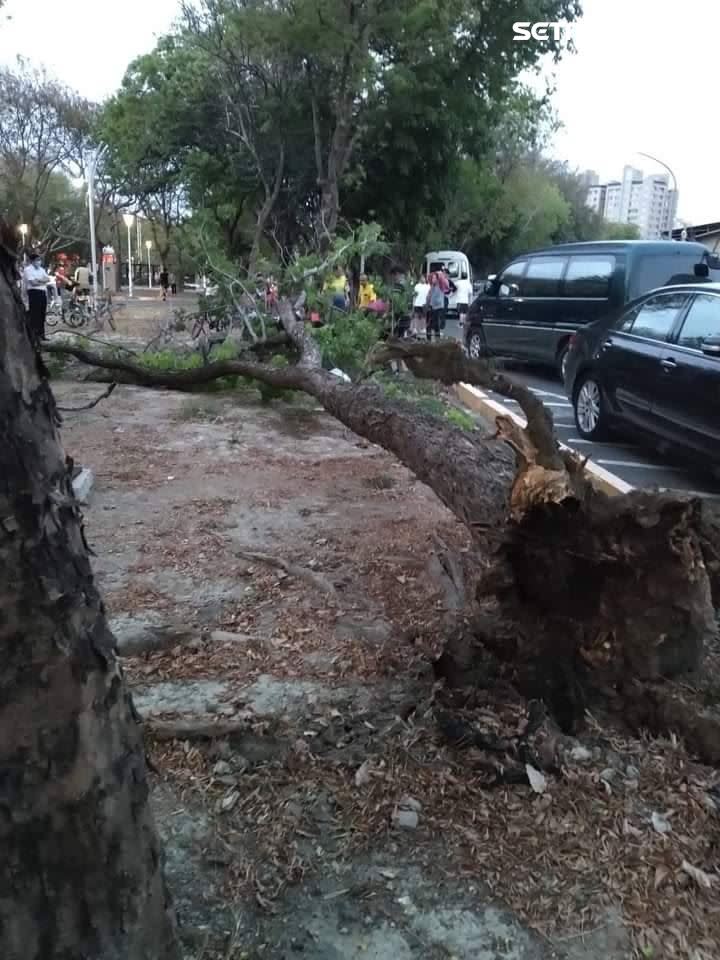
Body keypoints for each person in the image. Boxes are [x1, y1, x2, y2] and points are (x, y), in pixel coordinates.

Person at [23, 252, 52, 341]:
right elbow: (33, 283)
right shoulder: (28, 270)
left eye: (39, 260)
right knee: (35, 314)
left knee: (42, 314)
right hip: (34, 293)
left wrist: (39, 280)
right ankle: (34, 335)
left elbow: (48, 279)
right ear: (32, 261)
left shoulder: (41, 269)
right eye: (37, 260)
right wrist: (41, 281)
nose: (39, 262)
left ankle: (41, 334)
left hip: (42, 293)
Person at [426, 272, 445, 342]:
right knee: (429, 325)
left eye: (434, 278)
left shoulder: (440, 286)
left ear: (437, 279)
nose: (432, 279)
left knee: (436, 326)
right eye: (432, 278)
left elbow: (437, 300)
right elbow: (428, 298)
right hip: (431, 308)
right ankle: (428, 341)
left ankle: (438, 340)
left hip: (438, 308)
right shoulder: (432, 287)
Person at [412, 273, 430, 338]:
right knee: (416, 316)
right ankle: (416, 329)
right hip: (417, 303)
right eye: (421, 278)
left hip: (424, 304)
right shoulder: (416, 286)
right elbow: (414, 295)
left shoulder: (428, 286)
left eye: (424, 278)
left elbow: (429, 295)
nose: (423, 279)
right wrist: (413, 303)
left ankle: (423, 329)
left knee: (423, 317)